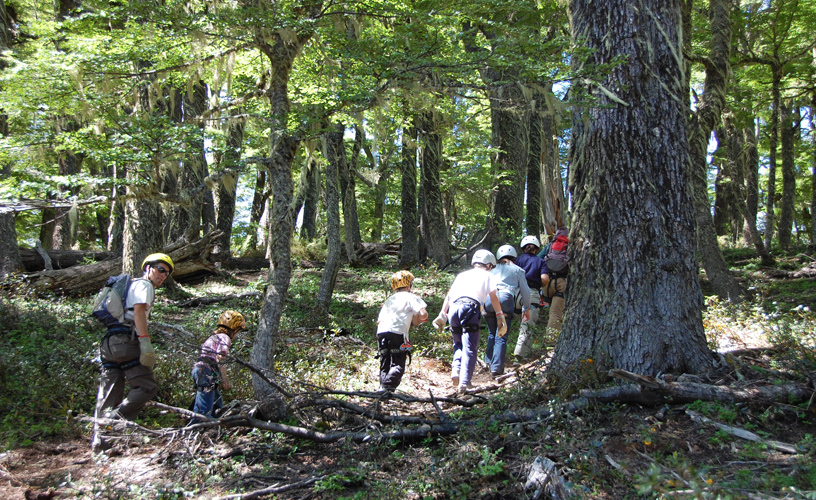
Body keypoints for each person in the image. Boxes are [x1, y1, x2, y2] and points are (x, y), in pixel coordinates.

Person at [92, 252, 173, 452]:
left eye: (167, 273)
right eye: (160, 269)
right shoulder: (144, 285)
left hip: (109, 343)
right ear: (148, 268)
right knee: (147, 387)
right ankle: (113, 420)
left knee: (109, 392)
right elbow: (138, 312)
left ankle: (101, 441)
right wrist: (145, 342)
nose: (163, 275)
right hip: (126, 342)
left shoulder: (131, 285)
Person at [433, 249, 505, 393]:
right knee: (470, 347)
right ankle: (465, 383)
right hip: (470, 308)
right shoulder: (488, 275)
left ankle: (456, 371)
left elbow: (449, 296)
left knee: (458, 343)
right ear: (489, 265)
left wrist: (443, 314)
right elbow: (494, 297)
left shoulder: (462, 275)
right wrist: (500, 315)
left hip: (454, 308)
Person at [375, 271, 428, 391]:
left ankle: (383, 392)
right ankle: (385, 388)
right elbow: (423, 314)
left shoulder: (390, 299)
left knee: (385, 363)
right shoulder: (411, 297)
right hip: (398, 333)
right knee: (398, 364)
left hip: (382, 331)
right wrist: (423, 318)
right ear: (409, 285)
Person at [484, 245, 531, 378]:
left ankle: (488, 362)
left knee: (492, 333)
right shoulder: (518, 270)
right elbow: (526, 292)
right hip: (505, 299)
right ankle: (497, 368)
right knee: (501, 335)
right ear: (514, 256)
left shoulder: (491, 269)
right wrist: (526, 308)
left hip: (489, 299)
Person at [191, 310, 246, 420]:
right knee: (203, 409)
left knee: (217, 401)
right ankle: (198, 427)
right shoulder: (225, 338)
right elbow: (220, 356)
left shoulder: (214, 337)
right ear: (234, 329)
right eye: (237, 331)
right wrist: (225, 378)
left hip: (199, 370)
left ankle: (215, 423)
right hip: (206, 373)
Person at [512, 235, 549, 363]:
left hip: (514, 295)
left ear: (523, 248)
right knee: (527, 326)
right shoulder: (541, 262)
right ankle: (519, 356)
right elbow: (545, 280)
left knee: (519, 324)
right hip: (531, 294)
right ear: (537, 249)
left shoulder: (516, 260)